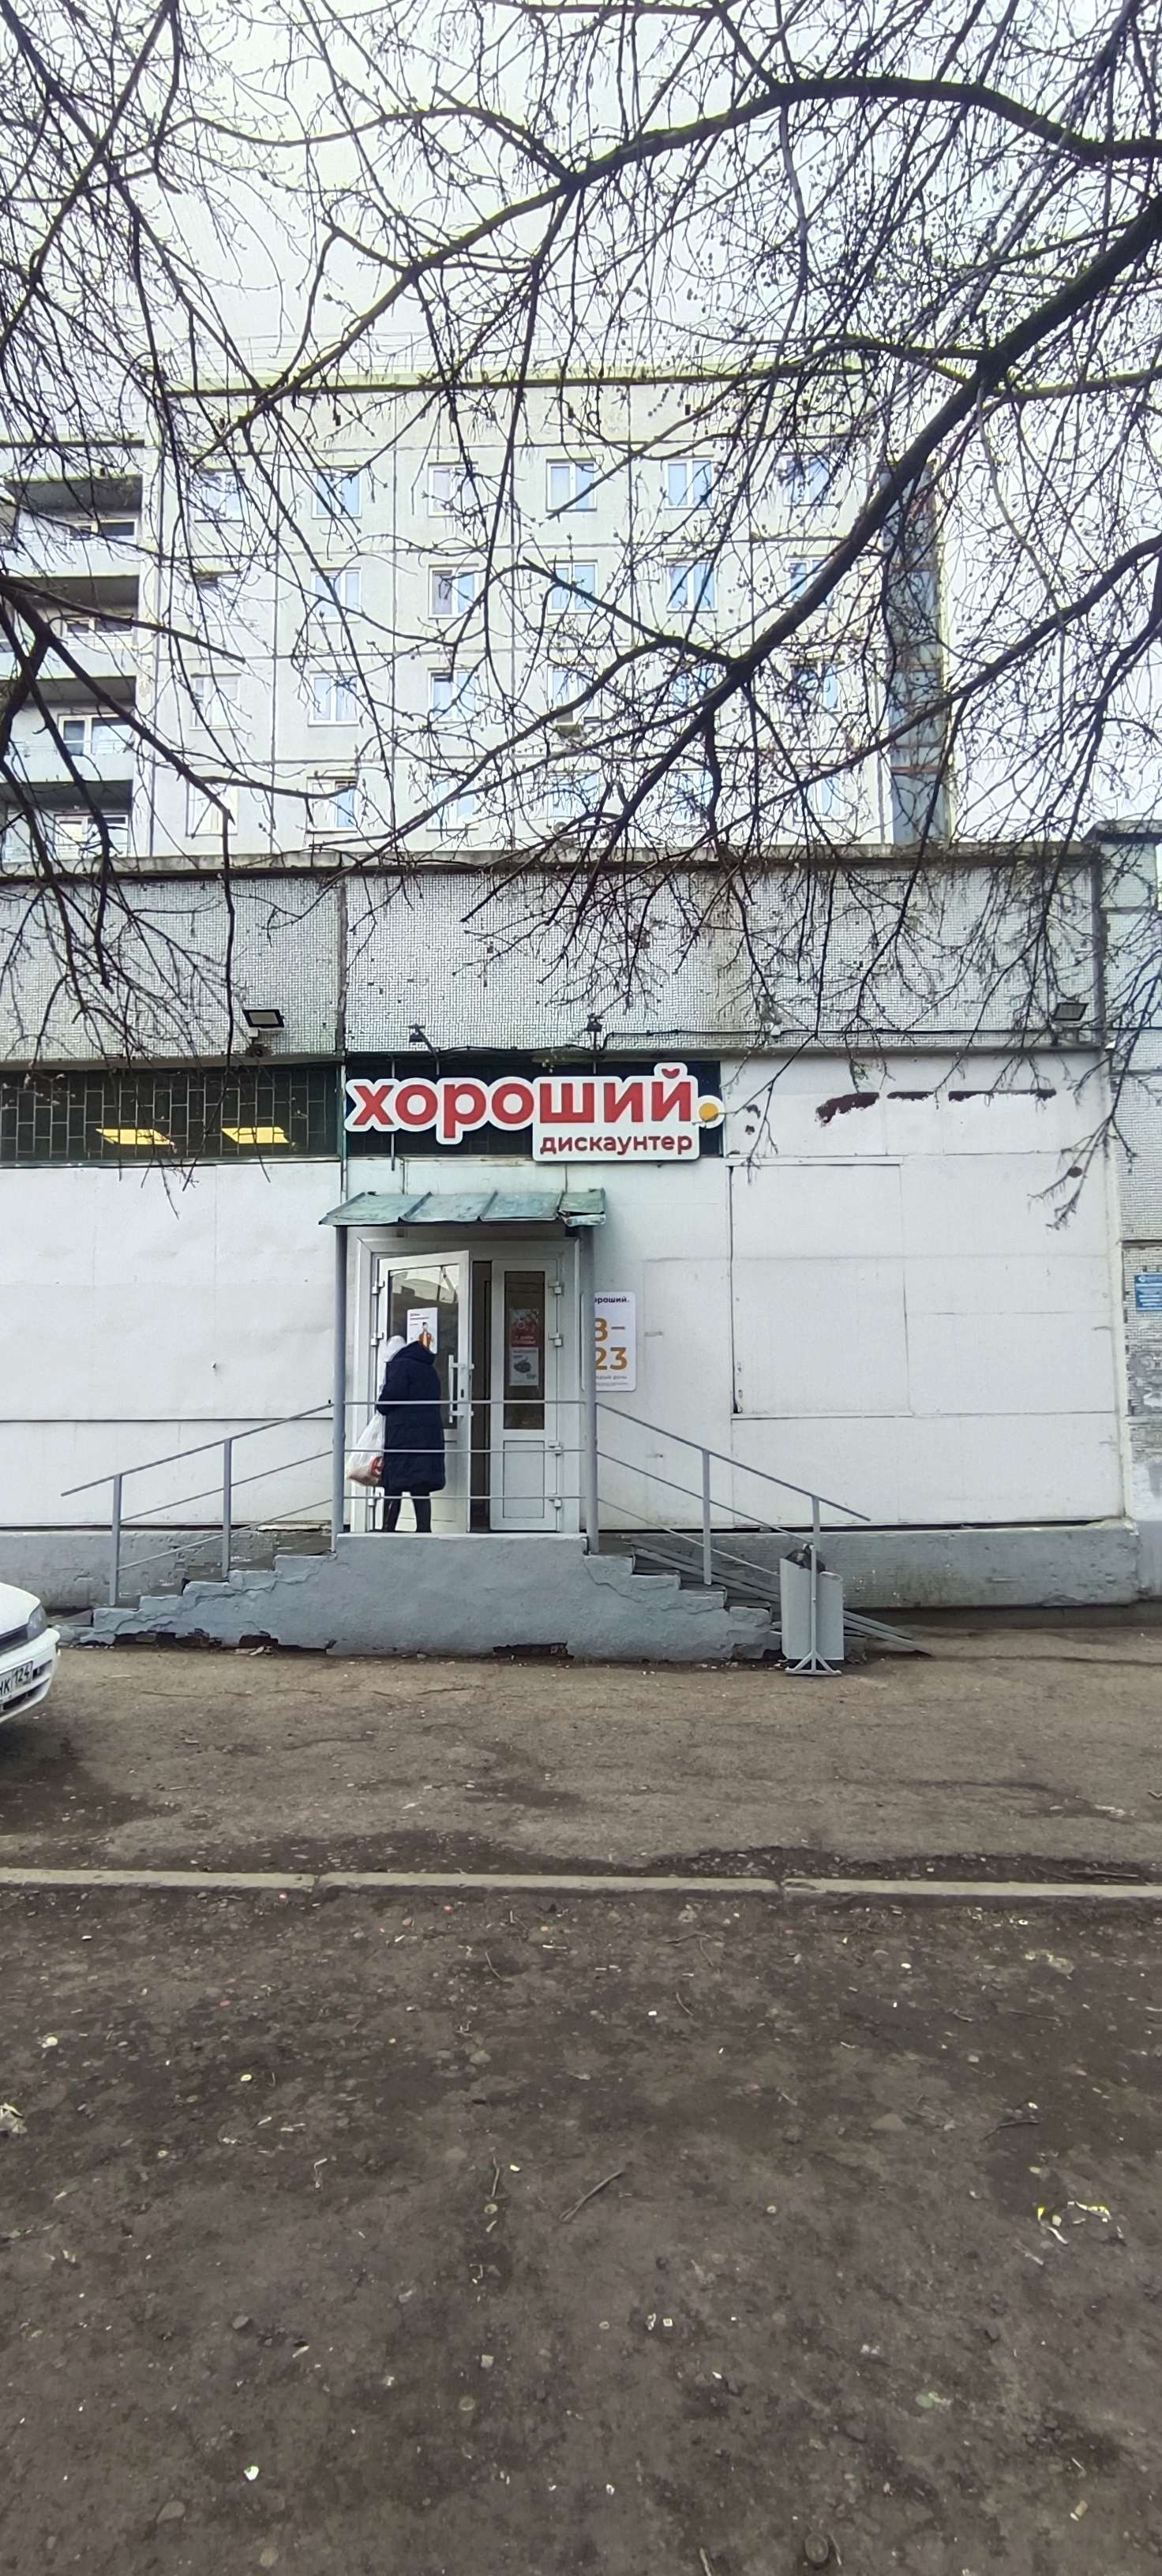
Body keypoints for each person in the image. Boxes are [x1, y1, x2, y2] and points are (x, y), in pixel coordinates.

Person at [375, 1331, 446, 1532]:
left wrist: (380, 1402)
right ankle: (424, 1530)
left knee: (393, 1485)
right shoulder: (428, 1369)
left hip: (403, 1436)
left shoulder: (400, 1367)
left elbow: (388, 1401)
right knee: (421, 1487)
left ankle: (387, 1529)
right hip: (427, 1436)